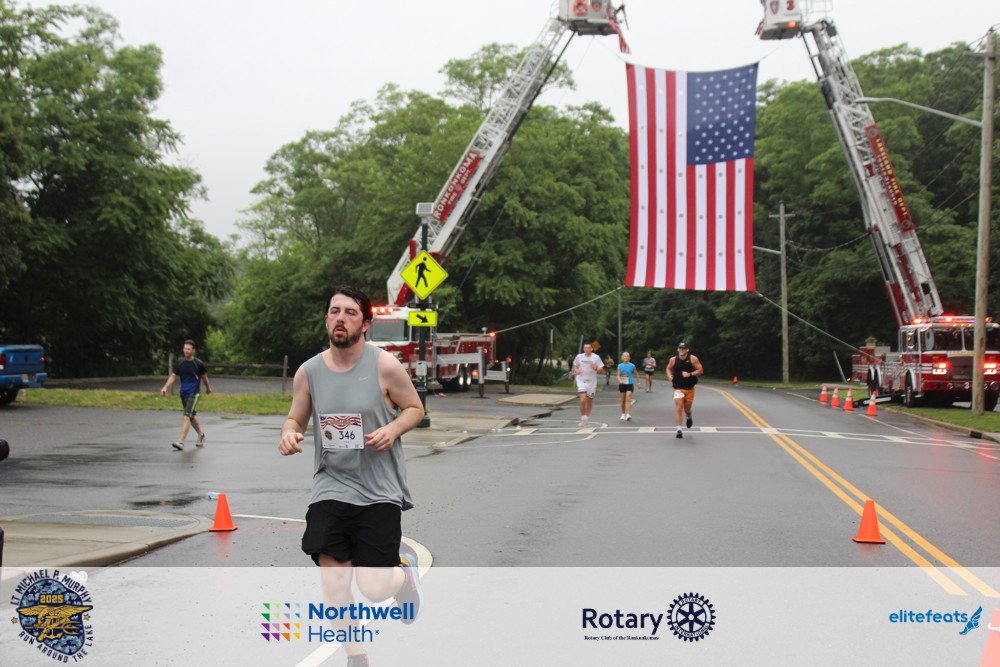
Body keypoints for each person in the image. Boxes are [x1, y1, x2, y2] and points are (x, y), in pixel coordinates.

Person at [278, 286, 425, 667]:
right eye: (334, 311)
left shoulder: (384, 366)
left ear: (366, 323)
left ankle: (403, 576)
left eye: (350, 313)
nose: (340, 318)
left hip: (379, 491)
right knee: (335, 583)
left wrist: (393, 429)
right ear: (326, 319)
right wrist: (289, 433)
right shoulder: (309, 372)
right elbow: (296, 417)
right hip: (331, 486)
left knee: (373, 588)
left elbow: (414, 408)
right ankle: (356, 656)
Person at [161, 339, 212, 451]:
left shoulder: (198, 363)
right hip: (183, 393)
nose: (186, 351)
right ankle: (201, 435)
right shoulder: (180, 362)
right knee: (191, 416)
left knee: (186, 416)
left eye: (188, 349)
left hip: (194, 393)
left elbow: (204, 377)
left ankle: (181, 442)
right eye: (185, 349)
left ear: (193, 350)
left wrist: (208, 388)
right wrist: (165, 387)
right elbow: (173, 376)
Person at [666, 341, 703, 439]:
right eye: (680, 348)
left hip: (689, 388)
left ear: (687, 350)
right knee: (679, 407)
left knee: (687, 409)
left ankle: (689, 416)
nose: (681, 350)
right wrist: (669, 375)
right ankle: (679, 430)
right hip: (677, 388)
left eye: (684, 348)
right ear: (678, 349)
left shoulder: (693, 359)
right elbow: (668, 368)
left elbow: (700, 370)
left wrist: (690, 374)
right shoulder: (673, 360)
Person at [572, 343, 603, 427]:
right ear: (583, 349)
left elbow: (601, 369)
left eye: (589, 348)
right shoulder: (579, 357)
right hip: (581, 379)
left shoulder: (596, 357)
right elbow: (575, 365)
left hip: (591, 381)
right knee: (582, 399)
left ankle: (586, 419)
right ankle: (583, 418)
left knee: (589, 400)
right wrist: (576, 370)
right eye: (585, 348)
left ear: (591, 349)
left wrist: (595, 368)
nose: (587, 349)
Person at [617, 351, 637, 421]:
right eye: (624, 356)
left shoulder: (632, 366)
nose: (626, 357)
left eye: (627, 356)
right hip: (622, 384)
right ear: (622, 358)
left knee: (628, 399)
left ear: (629, 358)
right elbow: (618, 375)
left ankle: (628, 414)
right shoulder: (619, 366)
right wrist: (620, 380)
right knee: (623, 400)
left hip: (630, 384)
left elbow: (636, 374)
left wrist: (639, 383)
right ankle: (623, 414)